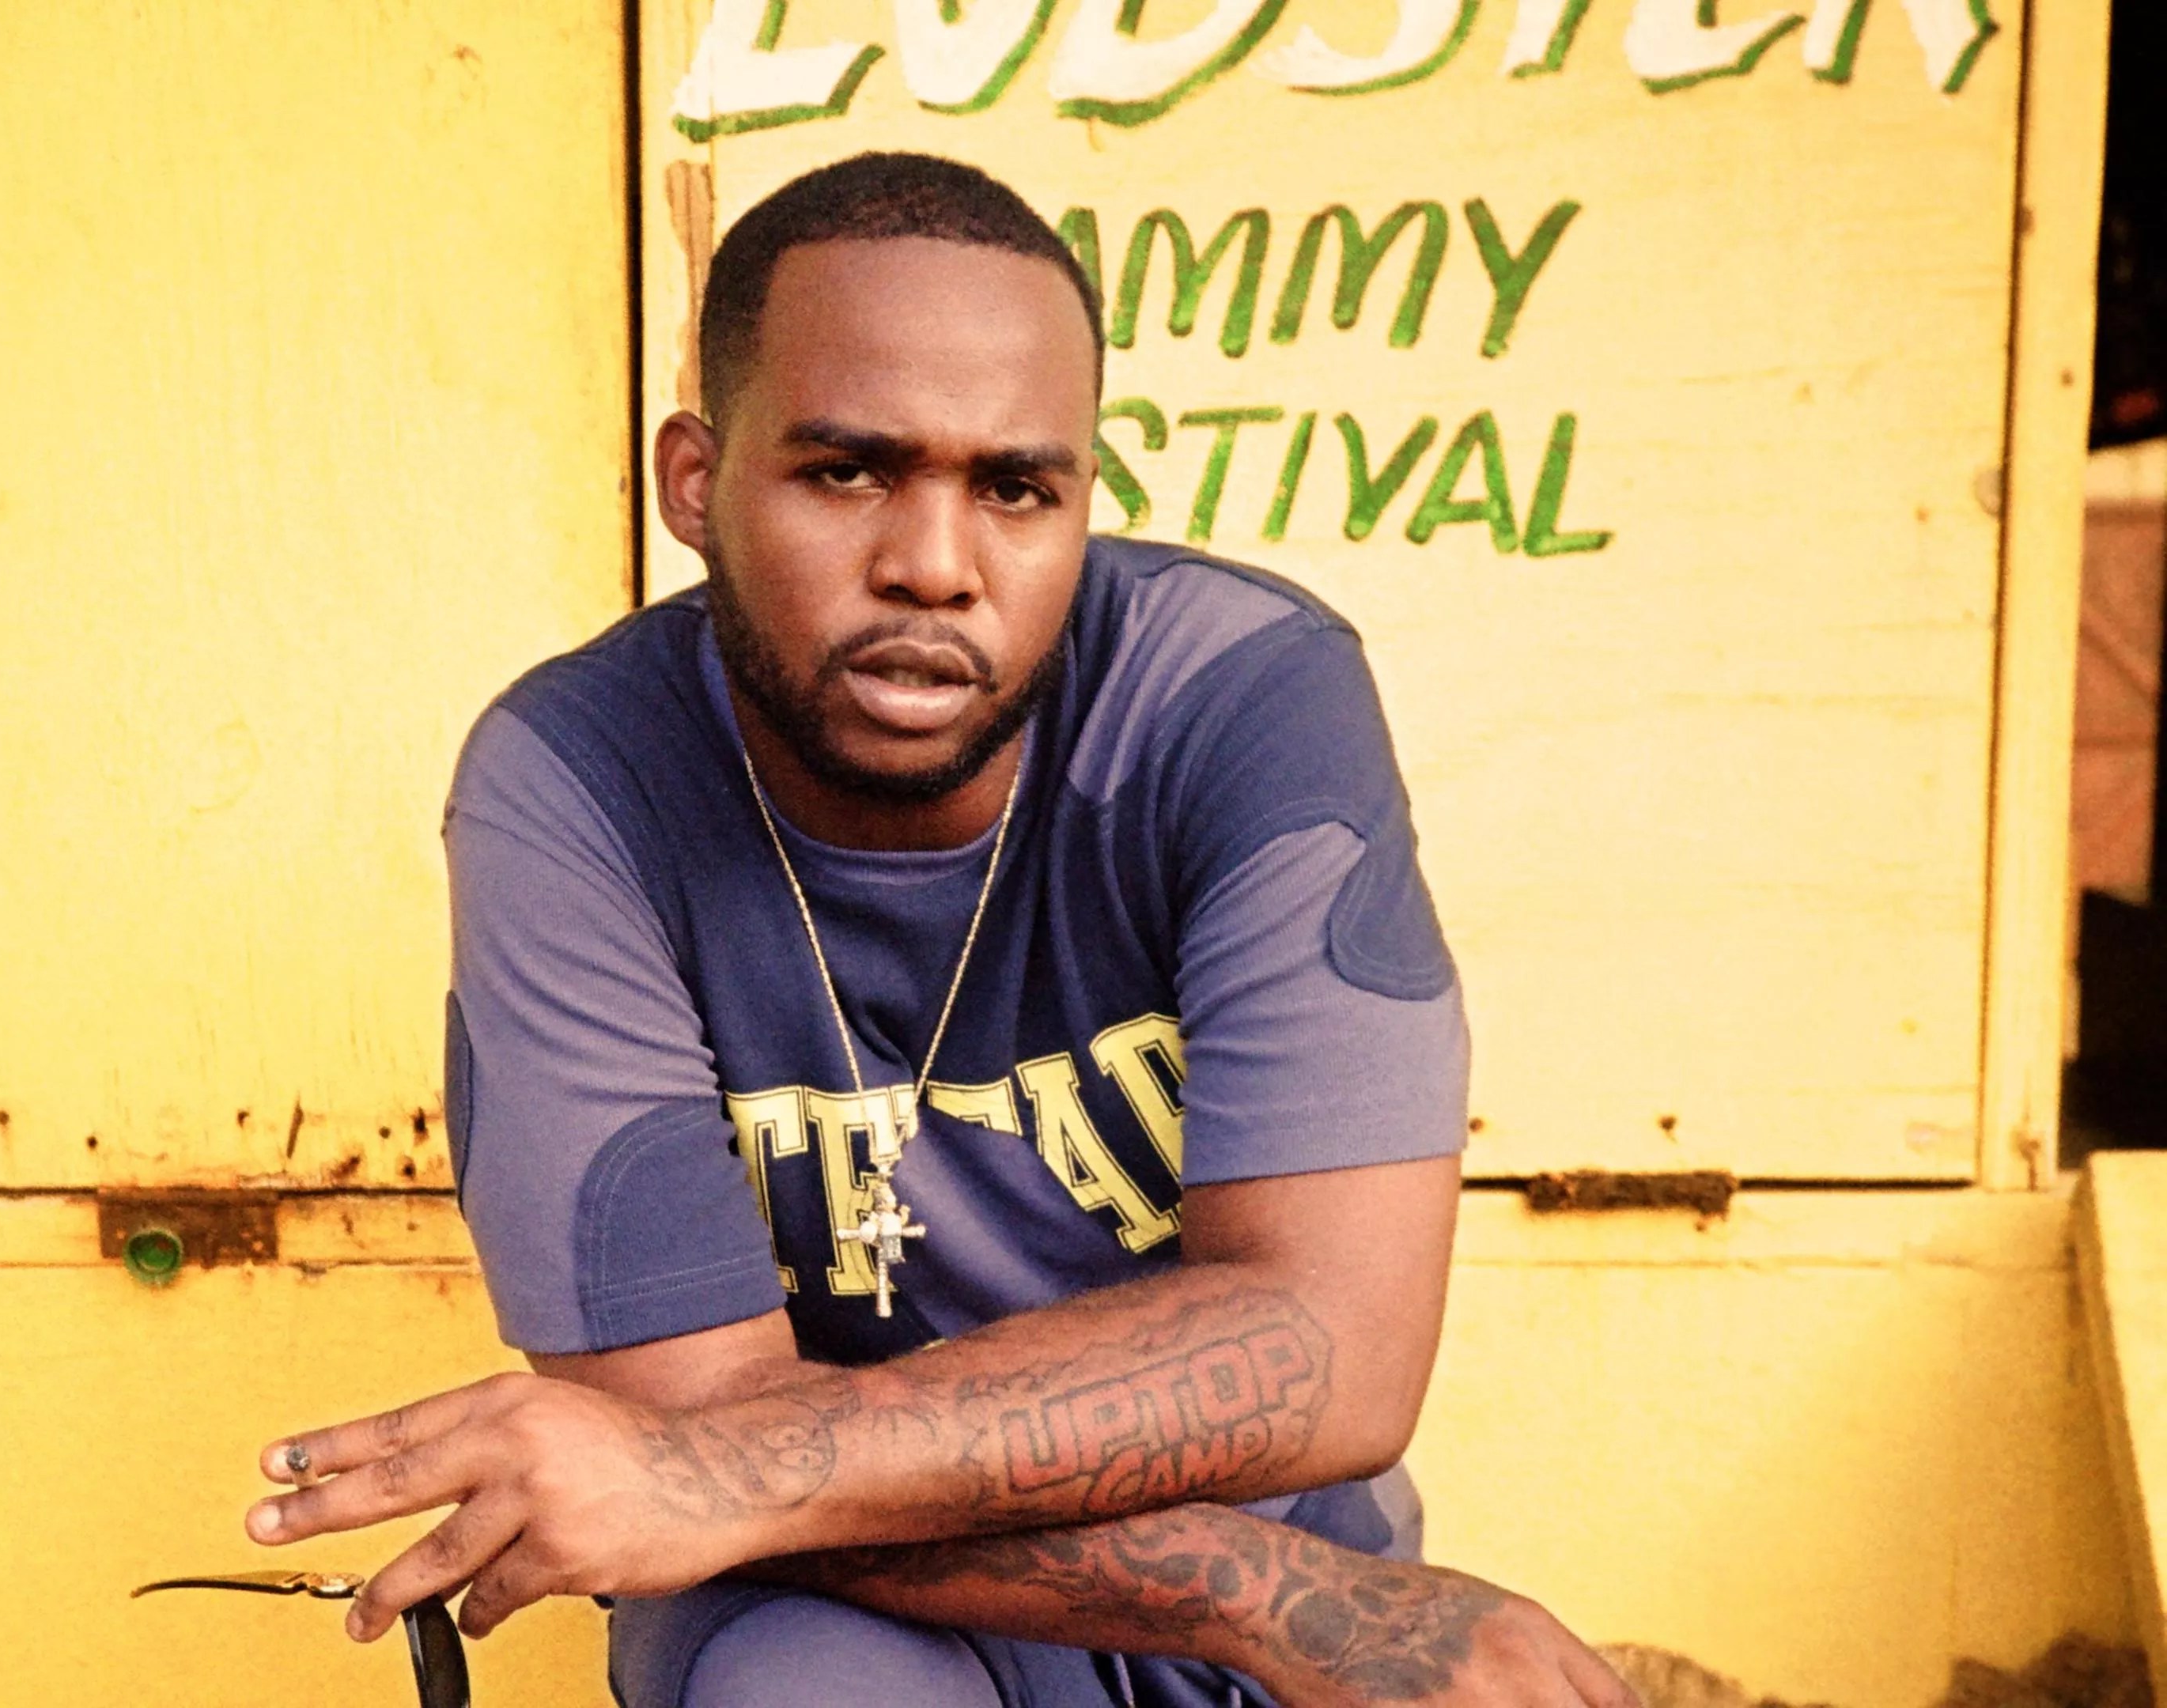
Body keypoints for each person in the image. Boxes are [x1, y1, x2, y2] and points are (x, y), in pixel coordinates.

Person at [243, 151, 1633, 1708]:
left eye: (1015, 488)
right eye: (846, 470)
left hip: (1286, 1549)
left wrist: (1288, 1586)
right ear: (693, 480)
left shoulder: (1235, 698)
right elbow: (676, 1457)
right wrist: (1255, 1597)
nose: (934, 563)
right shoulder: (581, 786)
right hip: (840, 1607)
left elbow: (1338, 1347)